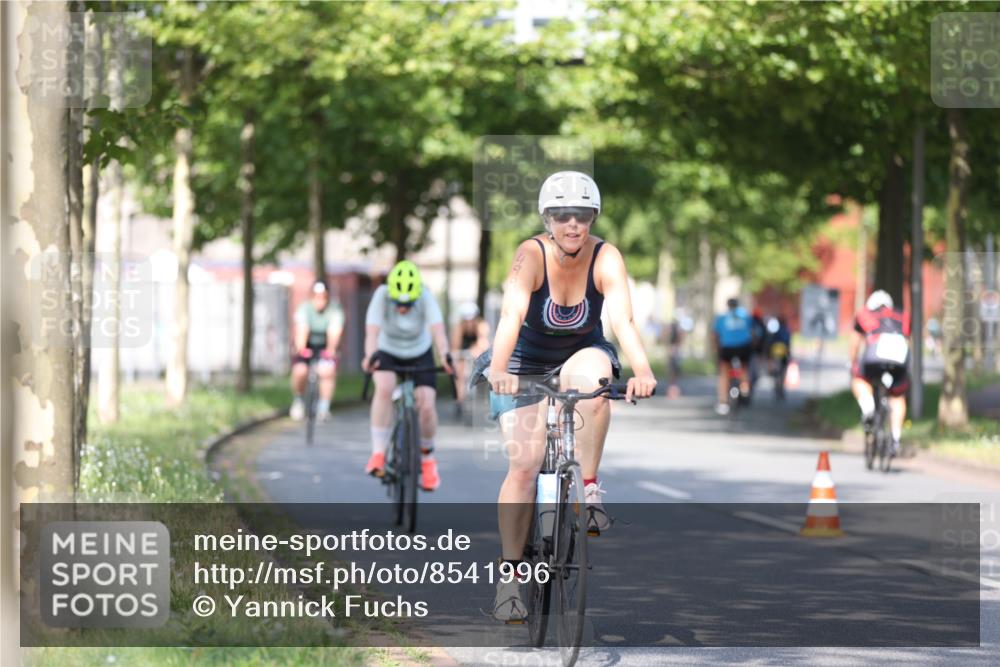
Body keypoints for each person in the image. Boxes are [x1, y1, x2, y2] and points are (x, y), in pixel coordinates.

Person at [483, 171, 656, 622]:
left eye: (581, 214)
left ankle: (589, 488)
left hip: (581, 353)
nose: (572, 224)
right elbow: (510, 315)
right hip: (524, 361)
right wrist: (498, 370)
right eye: (562, 215)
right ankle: (509, 580)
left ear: (593, 217)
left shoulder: (606, 257)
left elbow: (622, 321)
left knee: (594, 386)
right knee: (524, 466)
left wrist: (642, 370)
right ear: (548, 219)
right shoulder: (530, 255)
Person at [362, 260, 454, 491]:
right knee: (384, 388)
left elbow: (438, 331)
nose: (402, 309)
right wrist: (370, 356)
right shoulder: (381, 295)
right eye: (398, 303)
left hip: (419, 352)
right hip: (388, 350)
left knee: (426, 405)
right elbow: (372, 333)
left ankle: (428, 460)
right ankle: (378, 453)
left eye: (408, 304)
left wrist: (444, 355)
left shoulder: (426, 296)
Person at [849, 289, 910, 456]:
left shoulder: (864, 314)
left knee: (860, 380)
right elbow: (907, 341)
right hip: (899, 355)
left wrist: (853, 363)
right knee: (897, 395)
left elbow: (855, 342)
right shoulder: (902, 315)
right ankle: (895, 438)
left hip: (875, 352)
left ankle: (868, 407)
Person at [290, 280, 344, 422]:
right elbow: (302, 329)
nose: (319, 301)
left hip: (325, 346)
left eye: (323, 297)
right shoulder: (304, 308)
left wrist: (331, 349)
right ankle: (299, 401)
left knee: (327, 371)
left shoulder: (334, 309)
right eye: (316, 297)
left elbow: (334, 331)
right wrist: (301, 348)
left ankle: (323, 407)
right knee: (300, 371)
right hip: (307, 345)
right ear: (311, 296)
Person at [713, 297, 754, 415]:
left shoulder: (721, 318)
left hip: (727, 347)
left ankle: (723, 401)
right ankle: (745, 388)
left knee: (724, 371)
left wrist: (716, 349)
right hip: (744, 346)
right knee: (744, 368)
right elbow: (752, 332)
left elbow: (715, 335)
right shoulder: (745, 316)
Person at [451, 302, 491, 407]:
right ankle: (459, 400)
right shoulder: (459, 327)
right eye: (466, 320)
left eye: (472, 319)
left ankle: (483, 392)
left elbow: (484, 343)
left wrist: (476, 350)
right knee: (459, 373)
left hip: (475, 350)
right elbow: (455, 347)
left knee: (482, 362)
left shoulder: (481, 325)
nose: (469, 323)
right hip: (463, 350)